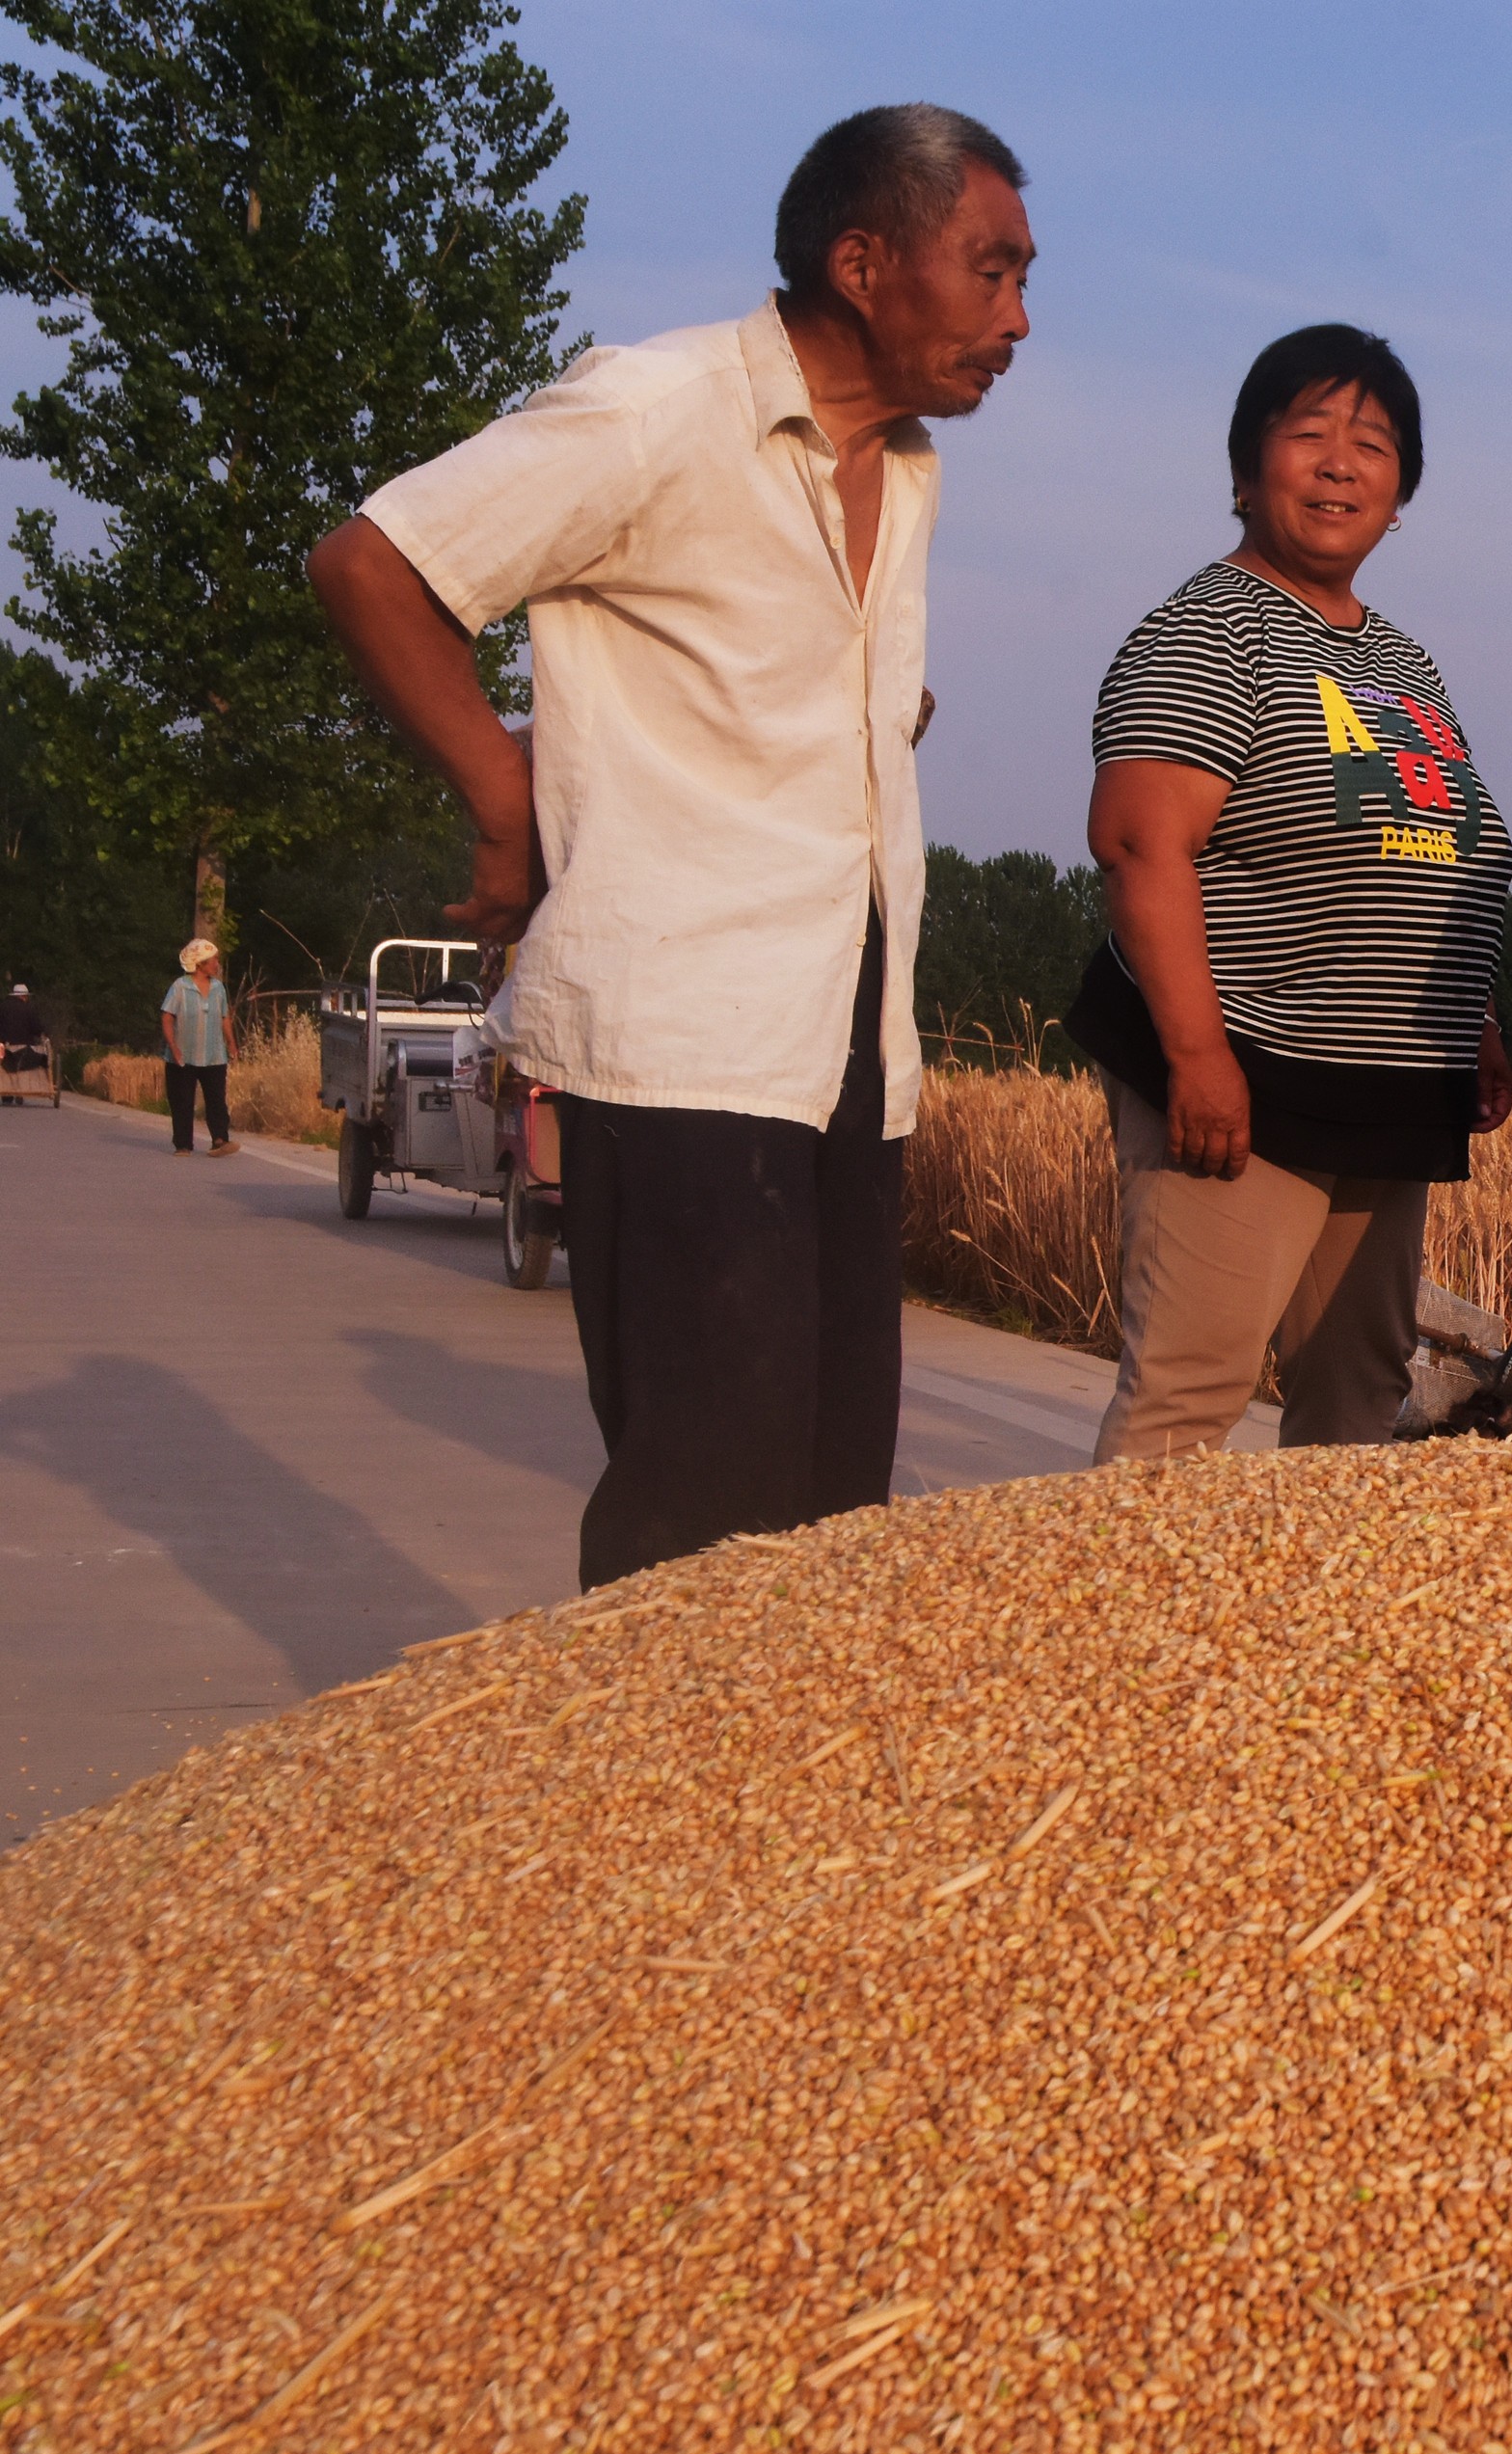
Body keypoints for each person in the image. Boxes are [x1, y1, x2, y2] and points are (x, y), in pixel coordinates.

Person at [308, 104, 1034, 1589]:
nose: (1019, 318)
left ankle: (786, 1819)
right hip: (688, 1040)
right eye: (993, 269)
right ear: (862, 263)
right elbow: (375, 563)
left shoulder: (903, 468)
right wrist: (506, 803)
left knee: (833, 1514)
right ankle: (630, 1816)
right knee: (701, 1522)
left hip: (845, 1055)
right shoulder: (658, 408)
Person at [1066, 326, 1512, 1459]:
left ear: (1401, 492)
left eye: (1371, 444)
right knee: (1189, 1386)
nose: (1338, 464)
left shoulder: (1402, 660)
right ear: (1242, 468)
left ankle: (1305, 1631)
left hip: (1386, 1085)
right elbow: (1139, 844)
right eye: (1307, 434)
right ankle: (1115, 1628)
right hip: (1254, 1069)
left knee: (1358, 1386)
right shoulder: (1211, 627)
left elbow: (1428, 844)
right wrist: (1199, 1056)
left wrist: (1476, 1020)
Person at [160, 939, 234, 1156]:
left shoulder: (219, 988)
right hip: (184, 1054)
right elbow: (167, 1017)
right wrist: (173, 1046)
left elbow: (225, 1017)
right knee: (182, 1100)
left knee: (216, 1099)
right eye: (213, 960)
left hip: (213, 1054)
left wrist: (231, 1043)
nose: (217, 964)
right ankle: (183, 1144)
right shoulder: (180, 987)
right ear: (200, 964)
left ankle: (220, 1139)